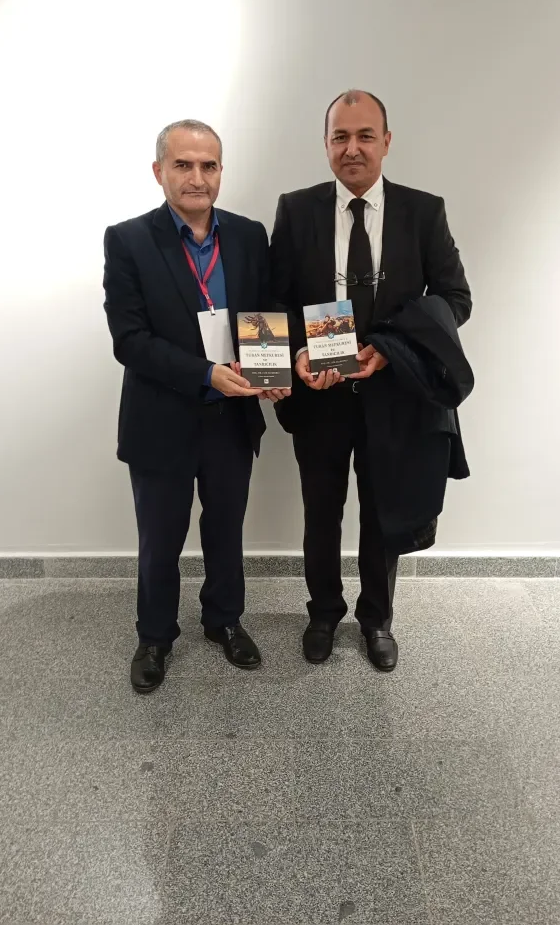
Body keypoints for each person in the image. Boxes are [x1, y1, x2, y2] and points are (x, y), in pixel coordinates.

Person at [271, 90, 472, 672]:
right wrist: (296, 356)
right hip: (320, 398)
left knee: (384, 512)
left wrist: (389, 349)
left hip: (394, 396)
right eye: (340, 136)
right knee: (321, 512)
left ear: (387, 141)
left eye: (364, 135)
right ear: (325, 144)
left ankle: (377, 618)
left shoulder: (423, 211)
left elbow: (455, 299)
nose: (352, 148)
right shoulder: (296, 210)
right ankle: (322, 613)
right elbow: (274, 300)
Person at [103, 119, 286, 693]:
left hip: (231, 418)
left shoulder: (249, 235)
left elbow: (264, 312)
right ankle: (155, 636)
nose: (197, 177)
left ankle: (224, 619)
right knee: (160, 539)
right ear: (159, 171)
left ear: (221, 172)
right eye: (183, 164)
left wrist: (271, 371)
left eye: (208, 165)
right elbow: (130, 340)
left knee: (226, 528)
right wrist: (206, 373)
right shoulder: (128, 240)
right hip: (162, 418)